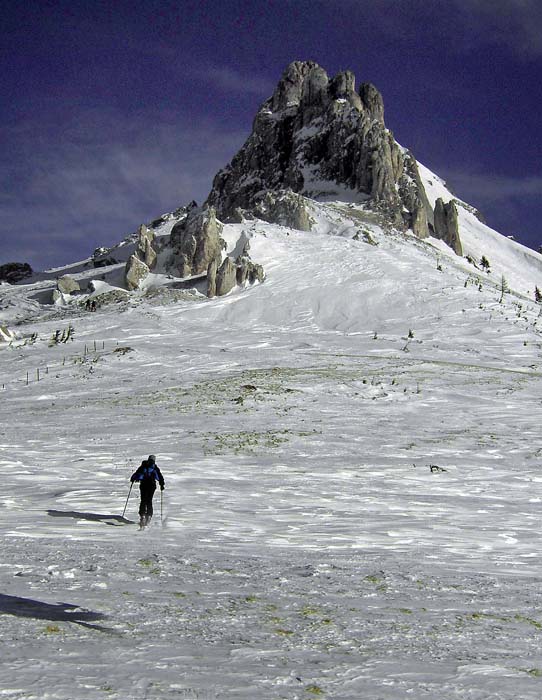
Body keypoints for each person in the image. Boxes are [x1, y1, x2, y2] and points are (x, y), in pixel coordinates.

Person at [130, 455, 165, 528]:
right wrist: (162, 485)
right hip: (152, 485)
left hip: (143, 485)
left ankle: (142, 515)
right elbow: (160, 477)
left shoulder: (143, 466)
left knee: (143, 500)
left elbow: (137, 473)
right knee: (149, 500)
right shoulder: (154, 467)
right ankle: (149, 515)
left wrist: (133, 479)